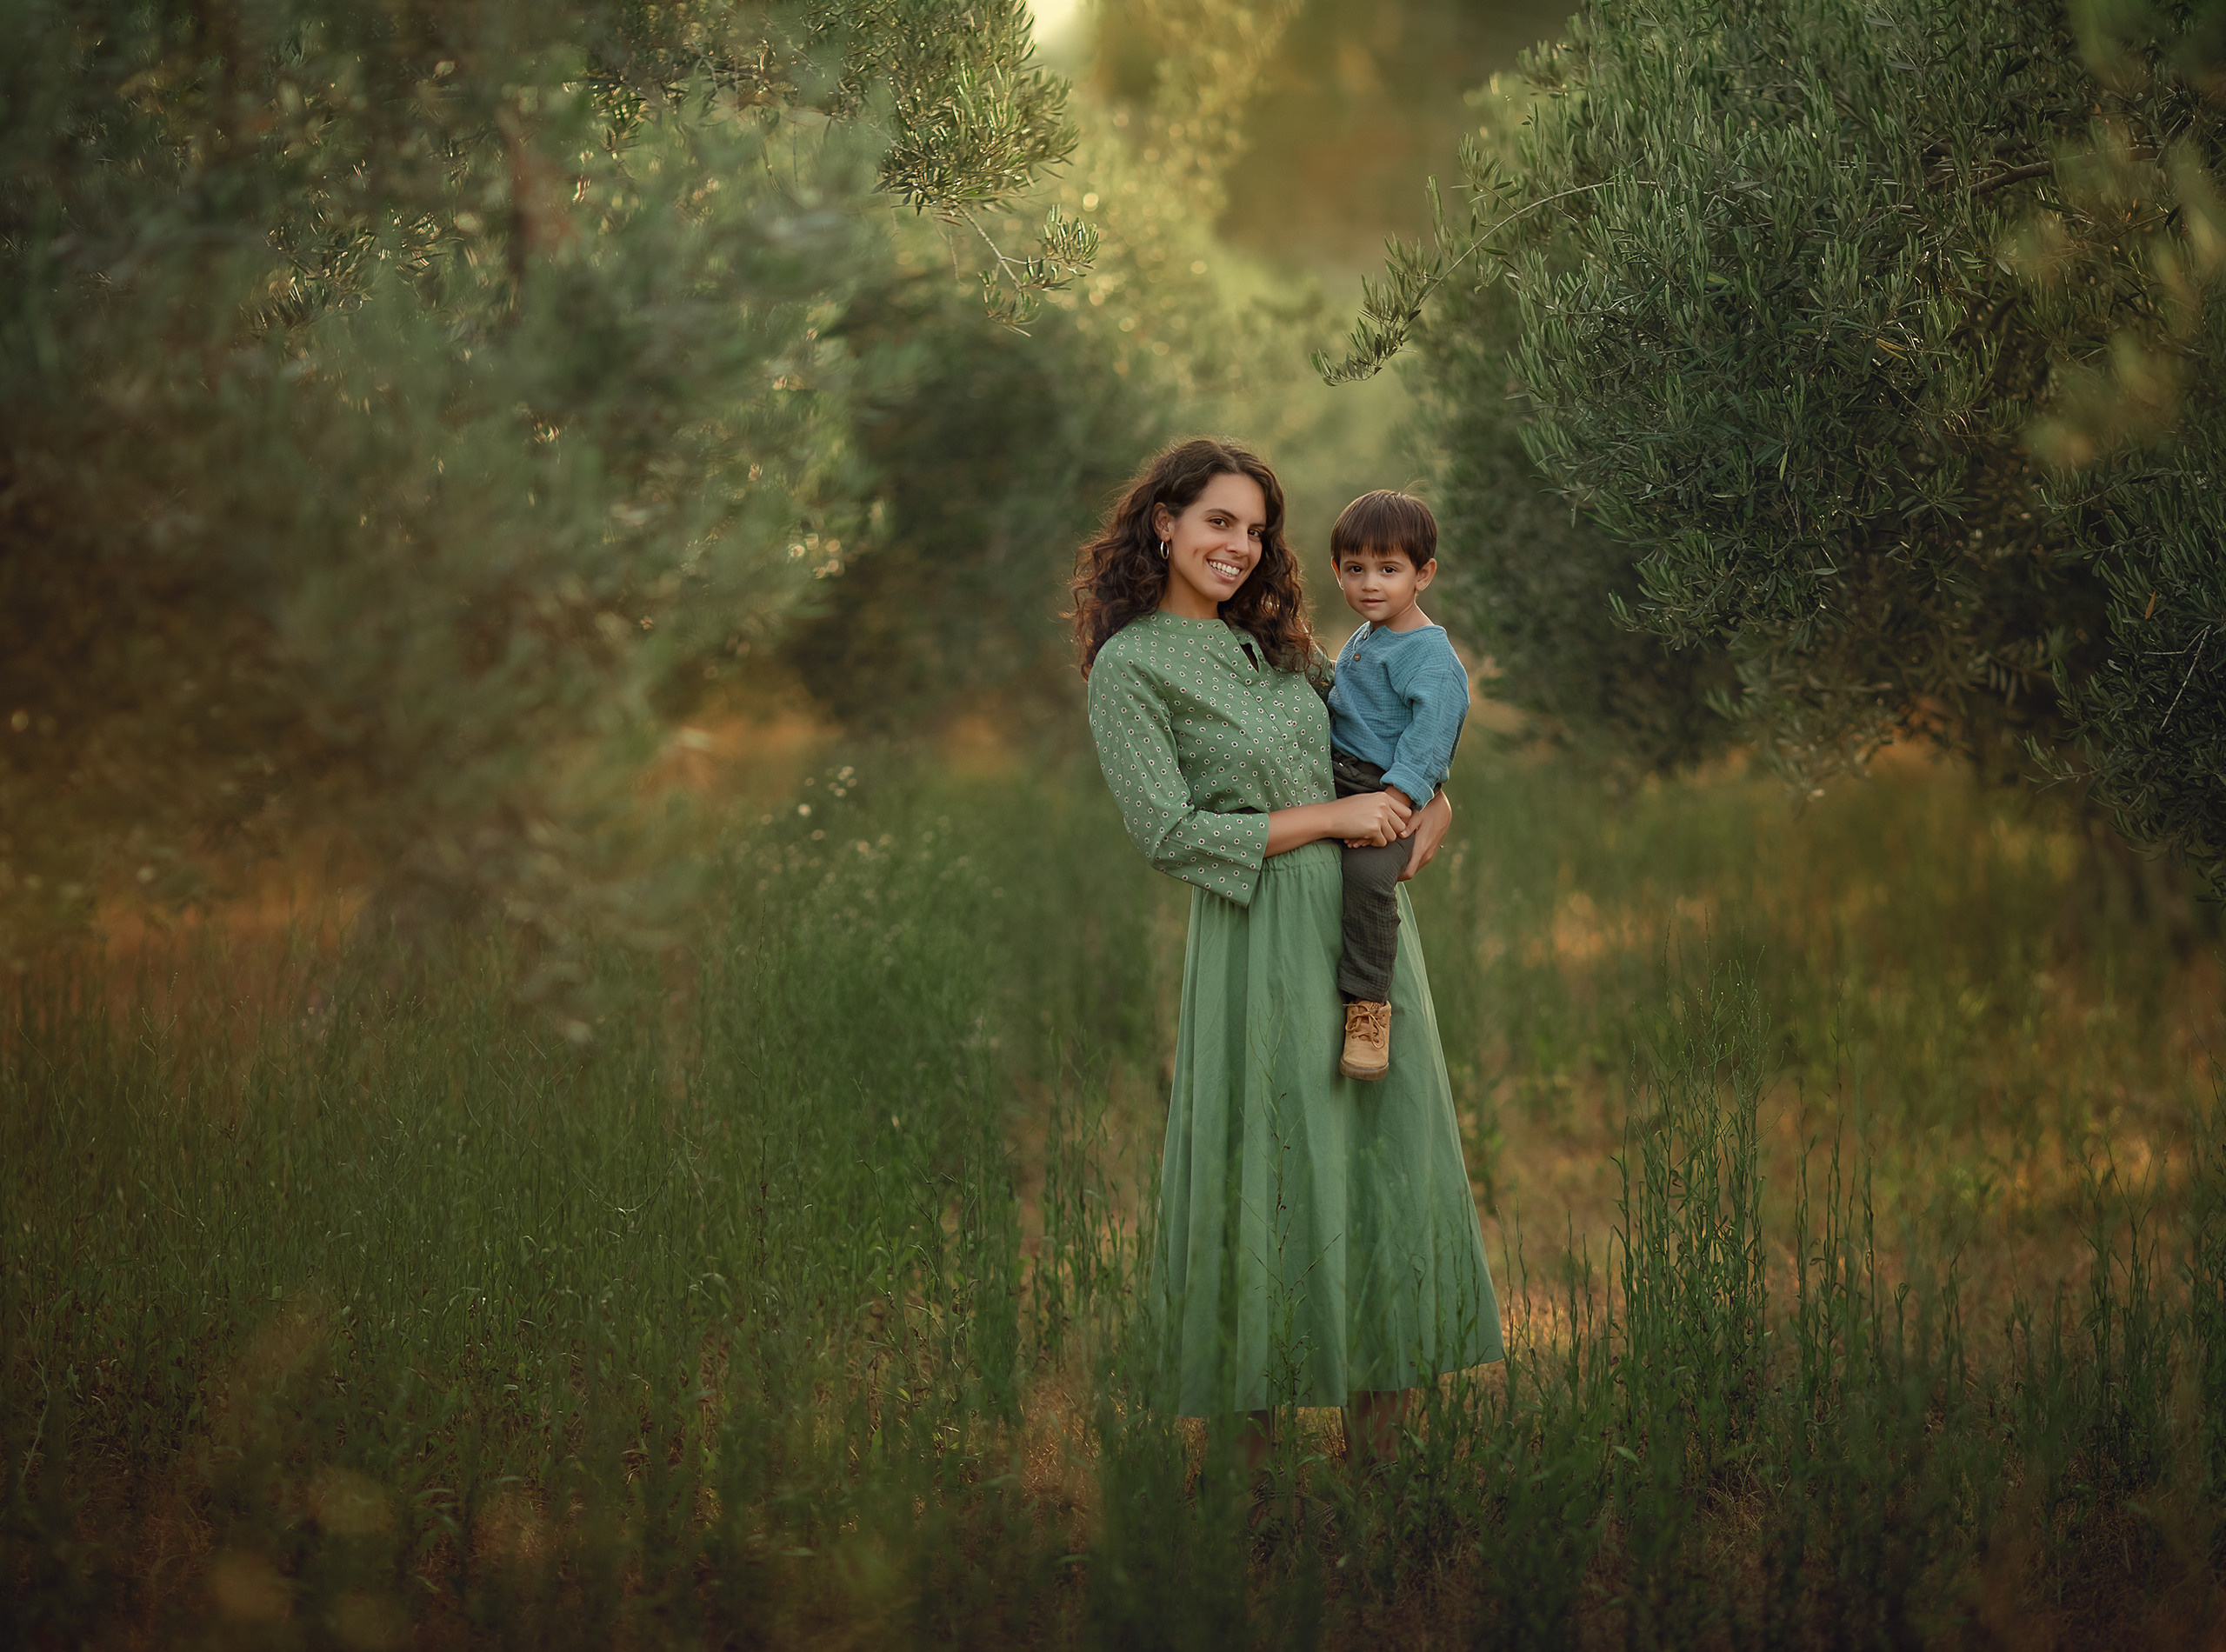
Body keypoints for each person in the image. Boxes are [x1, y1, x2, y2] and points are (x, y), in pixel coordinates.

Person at [1071, 436, 1503, 1489]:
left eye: (1256, 529)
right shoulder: (1128, 668)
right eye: (1220, 521)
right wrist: (1333, 817)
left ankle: (1384, 1467)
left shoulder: (1280, 647)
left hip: (1361, 939)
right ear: (1163, 522)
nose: (1241, 546)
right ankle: (1245, 1475)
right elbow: (1168, 832)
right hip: (1255, 935)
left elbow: (1392, 729)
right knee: (1261, 1164)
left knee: (1379, 1155)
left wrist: (1434, 801)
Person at [1321, 491, 1470, 1083]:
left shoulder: (1429, 655)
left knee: (1366, 878)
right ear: (1336, 571)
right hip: (1338, 781)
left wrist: (1399, 800)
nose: (1370, 584)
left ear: (1422, 574)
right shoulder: (1367, 636)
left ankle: (1368, 1007)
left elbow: (1431, 739)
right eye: (1355, 569)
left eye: (1389, 569)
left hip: (1387, 795)